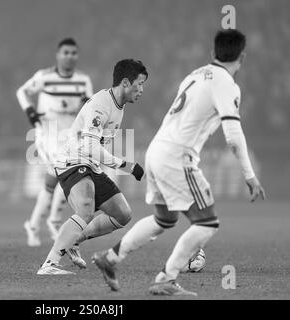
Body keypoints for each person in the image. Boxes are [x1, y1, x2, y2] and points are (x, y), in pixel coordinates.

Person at [92, 29, 266, 296]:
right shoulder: (227, 84)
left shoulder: (194, 76)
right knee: (207, 223)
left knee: (164, 219)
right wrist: (250, 175)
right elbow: (233, 135)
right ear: (242, 56)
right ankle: (165, 278)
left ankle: (111, 259)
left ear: (212, 54)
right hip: (177, 157)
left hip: (156, 151)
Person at [37, 59, 148, 275]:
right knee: (86, 209)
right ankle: (50, 264)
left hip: (90, 164)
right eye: (140, 83)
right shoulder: (101, 104)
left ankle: (74, 240)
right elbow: (89, 146)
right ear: (126, 82)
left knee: (122, 214)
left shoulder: (119, 106)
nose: (142, 90)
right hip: (72, 160)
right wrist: (124, 165)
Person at [16, 38, 93, 247]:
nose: (70, 56)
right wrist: (30, 111)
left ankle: (34, 225)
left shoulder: (83, 80)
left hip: (69, 134)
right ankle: (53, 221)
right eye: (66, 52)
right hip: (47, 133)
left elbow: (89, 105)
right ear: (58, 55)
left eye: (73, 53)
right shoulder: (44, 76)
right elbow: (21, 92)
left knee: (52, 182)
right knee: (64, 172)